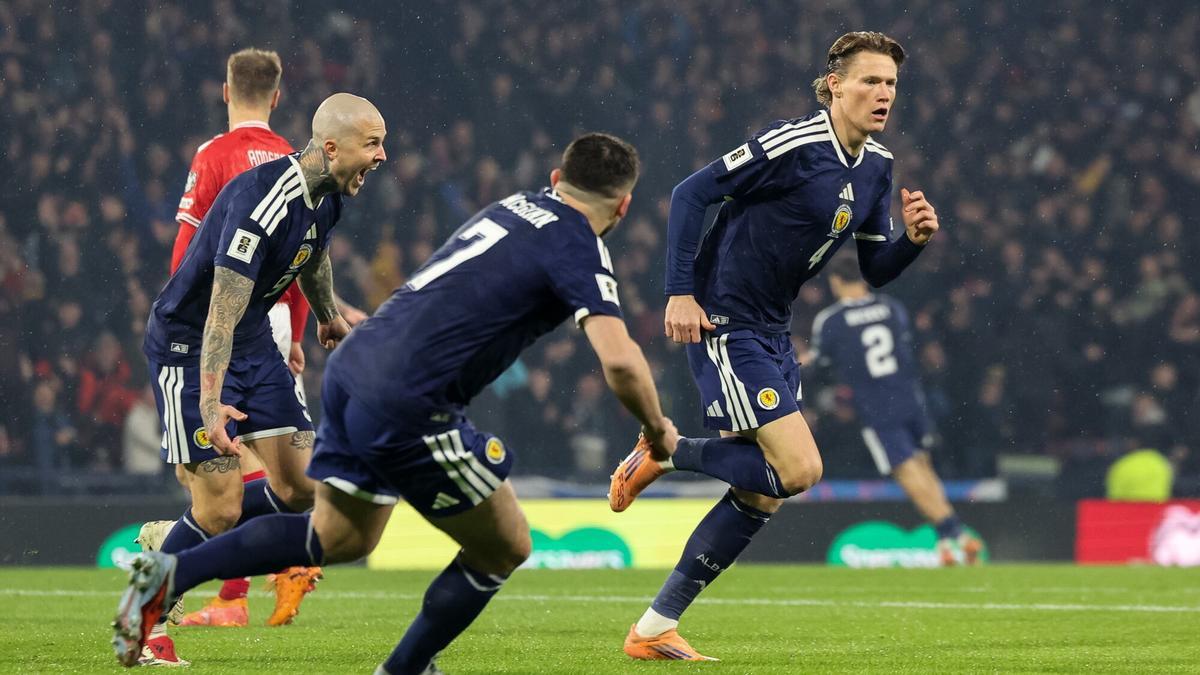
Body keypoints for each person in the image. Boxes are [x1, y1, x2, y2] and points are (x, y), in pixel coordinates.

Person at [112, 133, 677, 674]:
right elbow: (622, 361)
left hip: (357, 367)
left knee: (336, 537)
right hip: (413, 401)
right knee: (506, 545)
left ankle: (163, 578)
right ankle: (406, 666)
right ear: (623, 207)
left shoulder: (515, 206)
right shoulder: (580, 245)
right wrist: (656, 431)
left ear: (556, 178)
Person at [608, 31, 939, 660]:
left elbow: (874, 269)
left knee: (762, 491)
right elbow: (690, 193)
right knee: (801, 471)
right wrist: (680, 293)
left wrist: (913, 242)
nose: (883, 93)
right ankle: (667, 450)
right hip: (725, 321)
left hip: (773, 330)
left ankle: (653, 629)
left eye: (891, 83)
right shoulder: (794, 142)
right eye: (870, 80)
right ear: (835, 84)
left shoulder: (877, 167)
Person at [125, 92, 387, 667]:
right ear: (331, 146)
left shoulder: (329, 197)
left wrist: (327, 317)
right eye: (373, 143)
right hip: (189, 347)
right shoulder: (260, 201)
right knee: (217, 509)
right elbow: (219, 309)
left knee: (301, 487)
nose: (382, 156)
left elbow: (313, 256)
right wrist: (213, 403)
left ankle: (170, 538)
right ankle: (143, 621)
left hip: (250, 342)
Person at [135, 48, 324, 648]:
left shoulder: (213, 156)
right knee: (264, 482)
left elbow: (189, 255)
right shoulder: (300, 161)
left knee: (221, 487)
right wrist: (294, 335)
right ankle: (210, 584)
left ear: (225, 92)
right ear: (276, 97)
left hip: (217, 327)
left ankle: (181, 559)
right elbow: (297, 261)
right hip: (260, 323)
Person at [810, 255, 983, 565]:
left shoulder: (831, 320)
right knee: (924, 465)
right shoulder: (891, 308)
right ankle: (946, 541)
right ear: (863, 279)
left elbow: (821, 365)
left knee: (907, 473)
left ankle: (955, 531)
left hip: (877, 407)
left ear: (835, 281)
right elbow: (907, 345)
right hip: (909, 398)